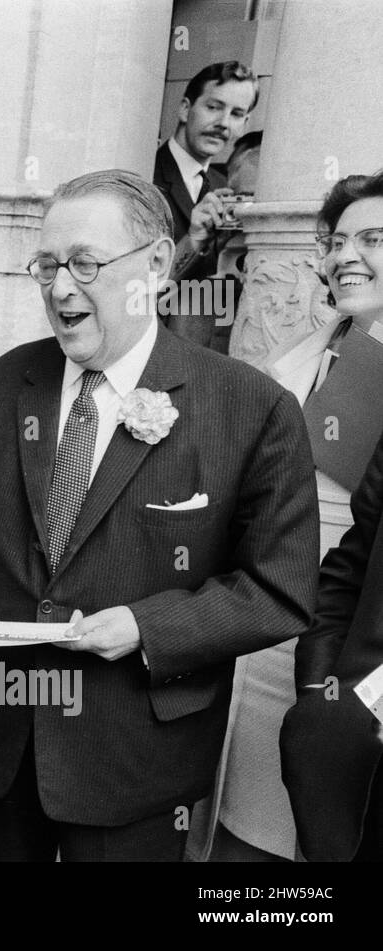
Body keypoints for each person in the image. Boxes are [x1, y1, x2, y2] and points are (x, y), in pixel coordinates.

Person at [0, 168, 319, 862]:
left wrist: (148, 625)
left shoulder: (250, 409)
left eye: (84, 264)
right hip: (3, 739)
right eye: (46, 265)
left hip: (135, 755)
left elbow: (279, 589)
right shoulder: (0, 386)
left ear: (158, 265)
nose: (59, 288)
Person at [281, 171, 383, 862]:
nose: (345, 254)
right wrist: (322, 698)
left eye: (372, 238)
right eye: (337, 240)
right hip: (306, 663)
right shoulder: (309, 357)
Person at [153, 61, 259, 350]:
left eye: (236, 114)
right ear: (185, 109)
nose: (223, 123)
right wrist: (194, 240)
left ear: (245, 124)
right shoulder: (143, 174)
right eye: (213, 107)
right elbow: (133, 291)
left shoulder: (224, 183)